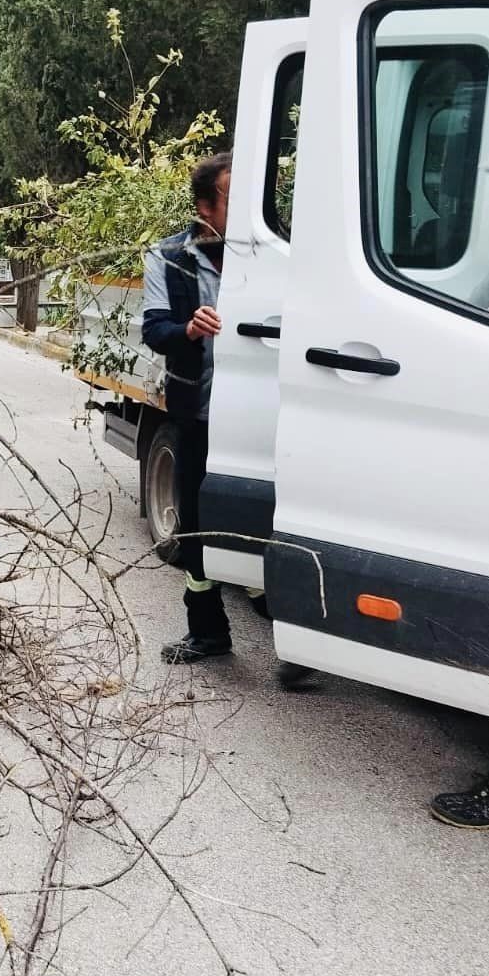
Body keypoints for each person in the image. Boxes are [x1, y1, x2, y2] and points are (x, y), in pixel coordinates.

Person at [142, 155, 313, 687]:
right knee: (196, 525)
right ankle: (209, 633)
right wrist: (188, 330)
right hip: (199, 412)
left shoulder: (278, 257)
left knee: (272, 524)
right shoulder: (167, 258)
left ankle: (302, 645)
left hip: (266, 414)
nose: (248, 210)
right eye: (234, 199)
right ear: (206, 206)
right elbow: (154, 330)